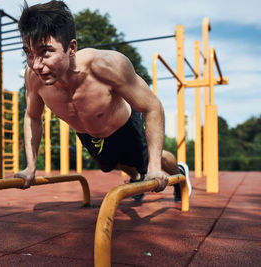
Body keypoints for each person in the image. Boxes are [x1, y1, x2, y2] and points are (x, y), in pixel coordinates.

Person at [15, 0, 191, 201]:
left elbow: (152, 107)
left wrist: (153, 169)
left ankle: (178, 170)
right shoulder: (33, 79)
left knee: (149, 160)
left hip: (125, 125)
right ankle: (135, 178)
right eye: (28, 52)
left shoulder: (106, 65)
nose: (36, 64)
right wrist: (30, 166)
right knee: (110, 165)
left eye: (45, 52)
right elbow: (33, 117)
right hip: (90, 135)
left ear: (71, 48)